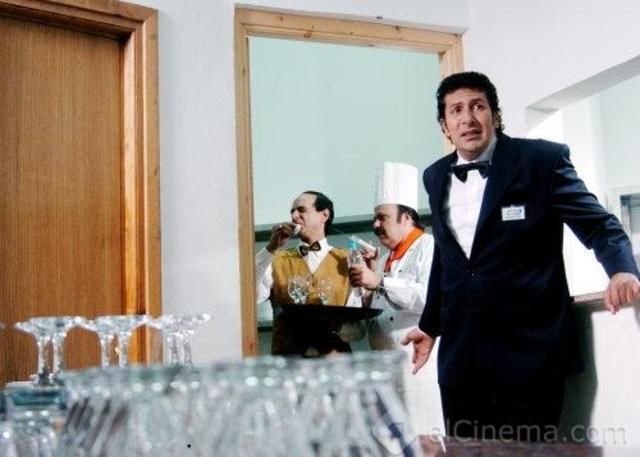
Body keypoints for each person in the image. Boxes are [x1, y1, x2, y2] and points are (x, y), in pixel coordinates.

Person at [402, 71, 640, 441]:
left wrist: (622, 269)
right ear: (444, 125)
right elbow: (447, 260)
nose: (468, 118)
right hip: (462, 360)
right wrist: (431, 325)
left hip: (530, 356)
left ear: (495, 115)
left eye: (478, 106)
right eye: (456, 110)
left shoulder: (541, 161)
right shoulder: (435, 177)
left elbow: (598, 225)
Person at [348, 162, 441, 435]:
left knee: (424, 438)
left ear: (406, 217)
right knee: (390, 442)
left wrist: (379, 281)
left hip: (417, 367)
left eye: (382, 217)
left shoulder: (429, 246)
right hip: (384, 367)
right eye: (375, 218)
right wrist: (367, 286)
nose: (375, 225)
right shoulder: (386, 258)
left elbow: (430, 298)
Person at [256, 191, 351, 356]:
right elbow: (249, 296)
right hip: (288, 361)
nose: (294, 216)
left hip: (335, 362)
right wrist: (271, 247)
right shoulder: (275, 259)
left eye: (301, 210)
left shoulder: (347, 259)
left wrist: (333, 326)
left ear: (324, 215)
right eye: (292, 212)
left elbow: (359, 329)